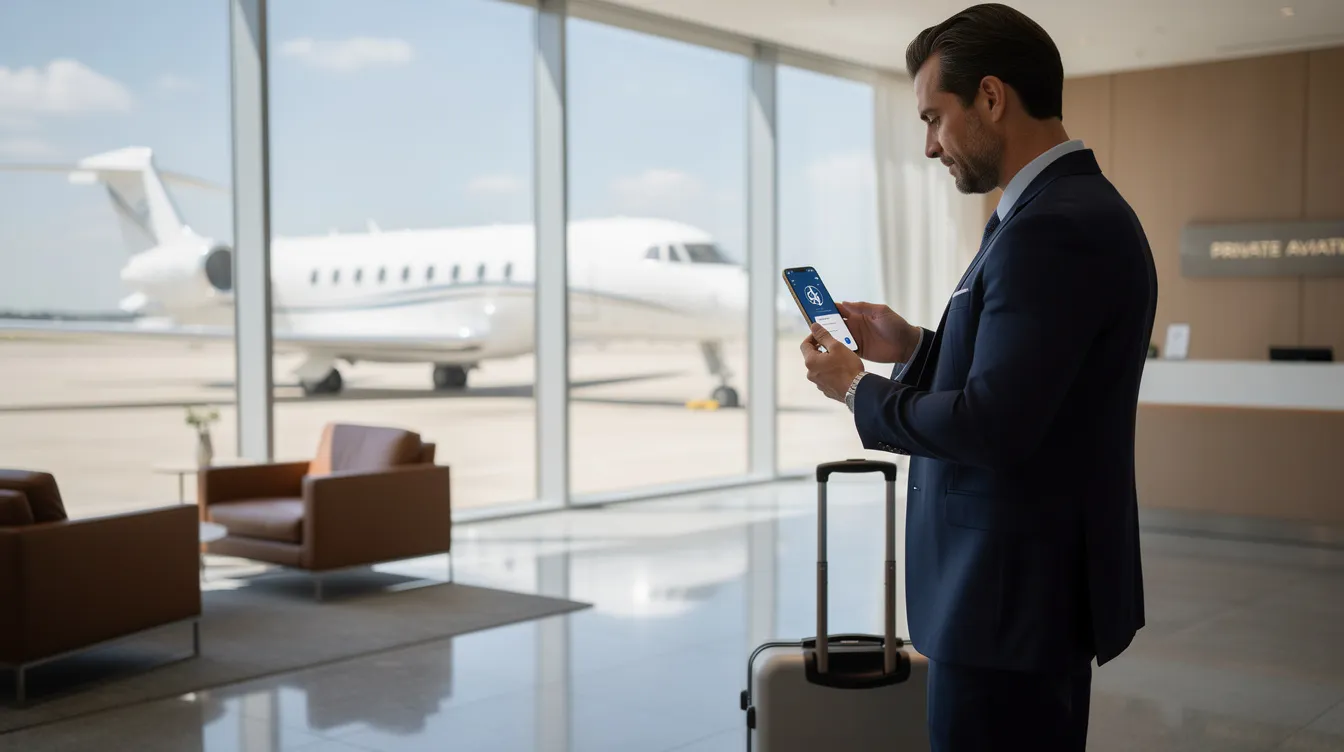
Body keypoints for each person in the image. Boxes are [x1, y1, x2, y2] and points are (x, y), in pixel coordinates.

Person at [799, 4, 1158, 751]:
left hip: (1008, 605)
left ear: (992, 98)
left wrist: (857, 389)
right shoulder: (1046, 216)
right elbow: (1024, 382)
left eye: (935, 118)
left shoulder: (1052, 227)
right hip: (1014, 600)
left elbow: (995, 424)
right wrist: (915, 344)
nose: (930, 147)